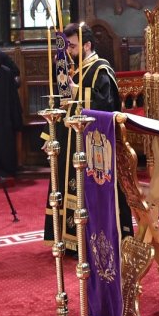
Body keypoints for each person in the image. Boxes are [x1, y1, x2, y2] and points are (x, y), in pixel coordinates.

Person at [46, 23, 125, 250]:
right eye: (68, 46)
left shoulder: (101, 68)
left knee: (84, 189)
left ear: (87, 45)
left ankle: (87, 241)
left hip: (91, 143)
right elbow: (63, 104)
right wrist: (48, 137)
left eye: (72, 46)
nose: (69, 51)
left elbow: (107, 104)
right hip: (69, 139)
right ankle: (70, 241)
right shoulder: (74, 69)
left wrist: (77, 90)